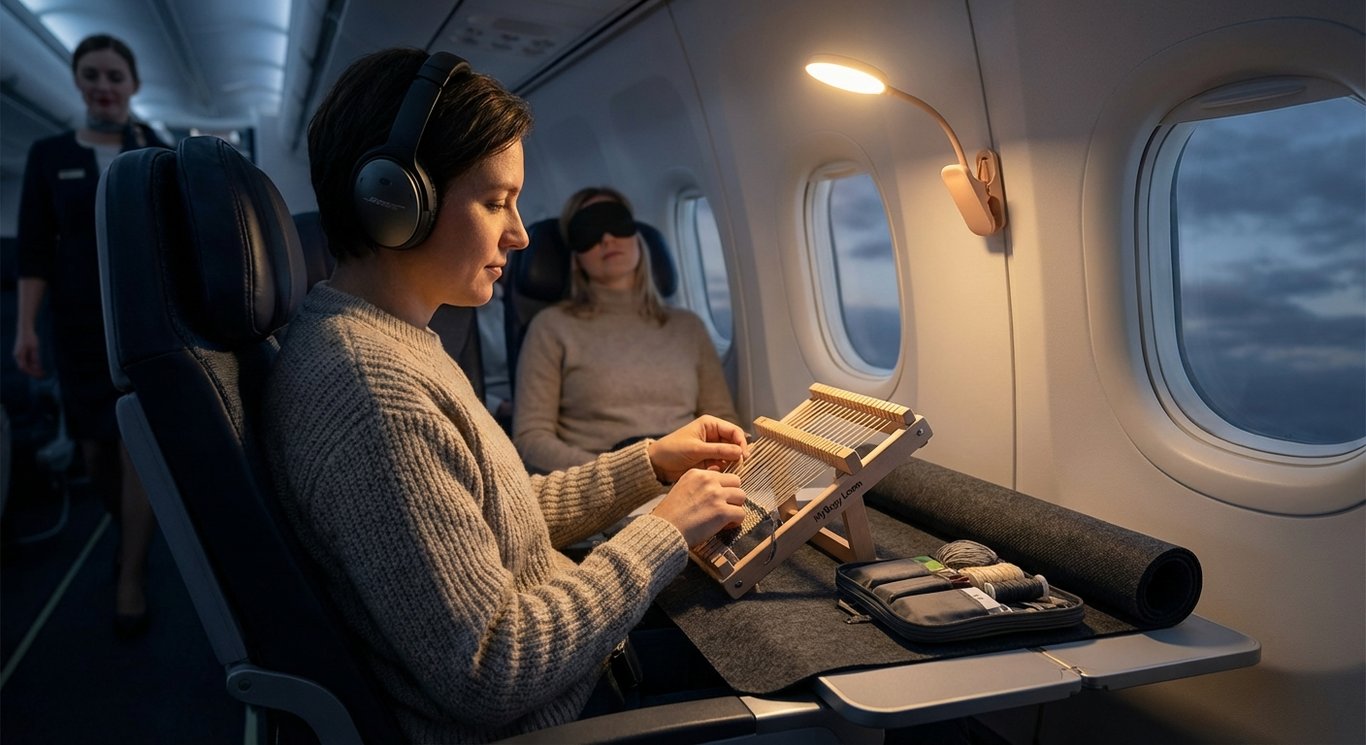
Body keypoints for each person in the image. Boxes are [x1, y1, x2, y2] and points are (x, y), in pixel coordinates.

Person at [264, 47, 749, 743]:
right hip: (566, 712)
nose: (520, 234)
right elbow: (492, 668)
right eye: (496, 202)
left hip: (575, 666)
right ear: (394, 201)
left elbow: (502, 518)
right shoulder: (374, 393)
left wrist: (649, 463)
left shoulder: (395, 339)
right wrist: (664, 529)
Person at [12, 34, 168, 637]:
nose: (103, 86)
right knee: (97, 451)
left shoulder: (154, 153)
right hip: (77, 327)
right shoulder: (50, 155)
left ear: (132, 86)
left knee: (137, 446)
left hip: (140, 322)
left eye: (114, 76)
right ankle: (127, 530)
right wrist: (25, 325)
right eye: (92, 76)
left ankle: (131, 575)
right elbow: (33, 250)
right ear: (79, 84)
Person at [513, 187, 740, 474]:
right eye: (590, 230)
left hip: (691, 479)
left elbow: (721, 419)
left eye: (616, 223)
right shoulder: (551, 327)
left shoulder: (688, 327)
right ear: (576, 256)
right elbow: (530, 439)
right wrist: (628, 474)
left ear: (637, 237)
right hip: (604, 489)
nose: (607, 238)